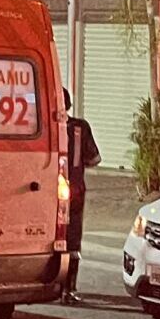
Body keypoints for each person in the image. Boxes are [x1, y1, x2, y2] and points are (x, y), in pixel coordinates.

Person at [61, 93, 99, 304]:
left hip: (43, 192)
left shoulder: (42, 126)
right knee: (72, 239)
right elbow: (94, 158)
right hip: (74, 191)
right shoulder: (80, 128)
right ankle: (69, 288)